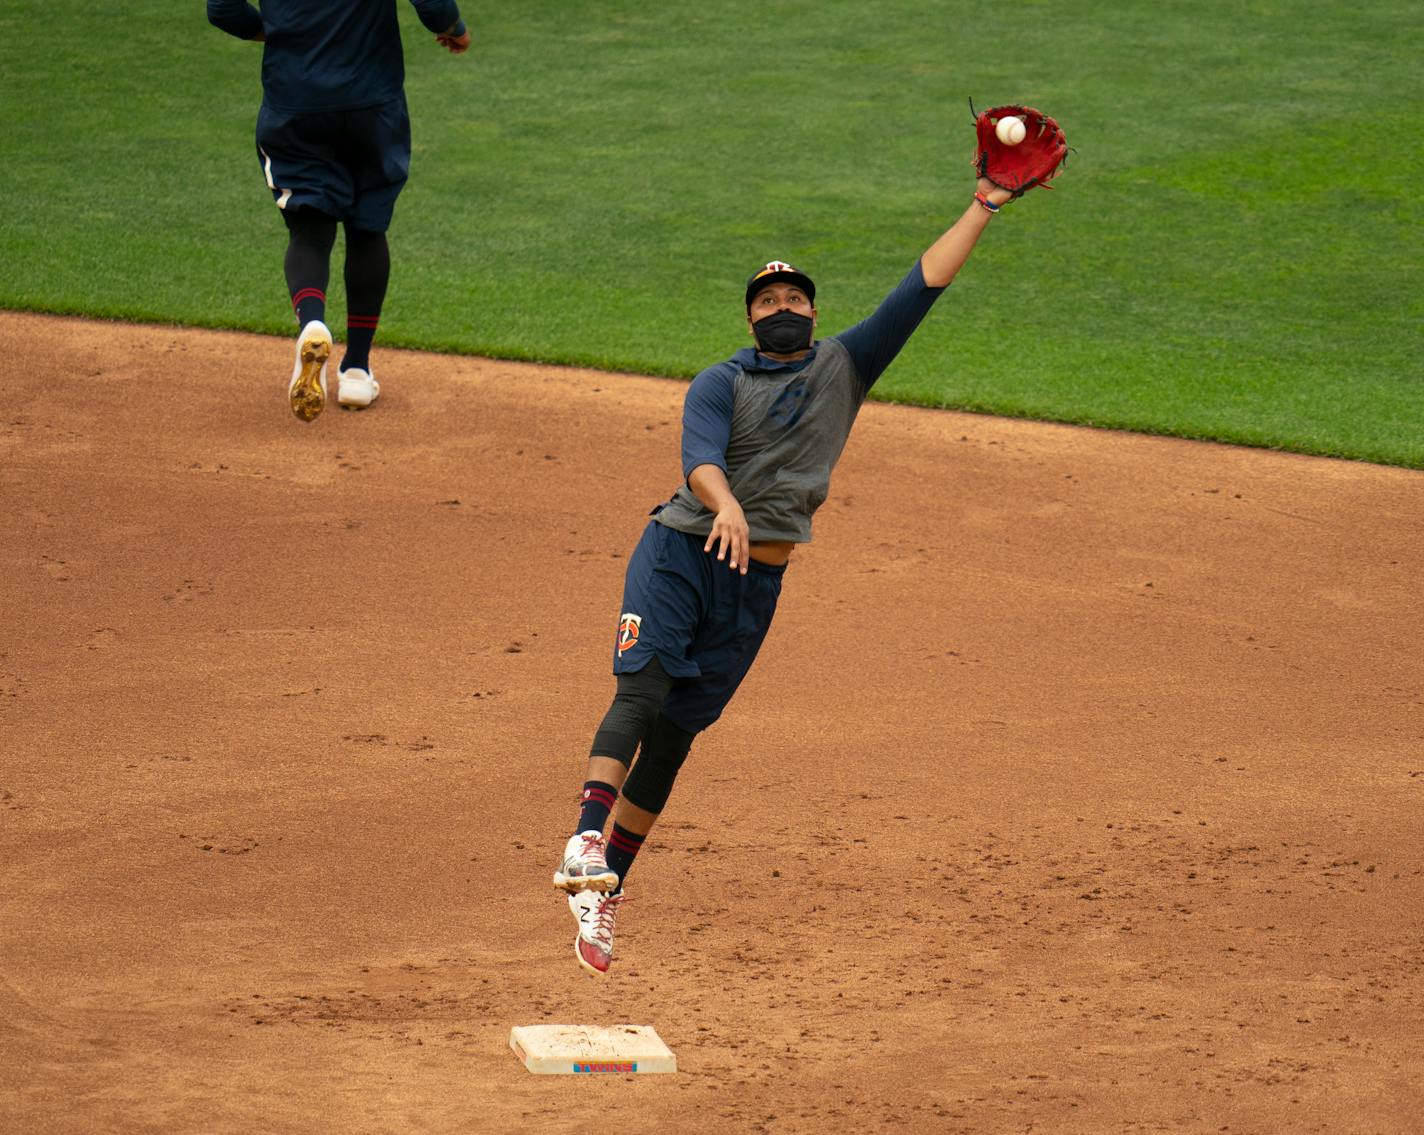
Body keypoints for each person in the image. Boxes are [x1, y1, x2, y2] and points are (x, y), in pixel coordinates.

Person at [552, 170, 1039, 977]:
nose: (783, 309)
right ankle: (585, 830)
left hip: (756, 583)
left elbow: (923, 285)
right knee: (641, 692)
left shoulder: (846, 366)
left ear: (814, 311)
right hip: (681, 551)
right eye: (768, 302)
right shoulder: (722, 380)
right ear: (750, 316)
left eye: (795, 300)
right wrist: (726, 504)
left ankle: (601, 894)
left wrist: (984, 201)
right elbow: (699, 459)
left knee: (674, 742)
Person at [206, 0, 471, 422]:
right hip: (372, 103)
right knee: (368, 228)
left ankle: (313, 324)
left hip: (296, 103)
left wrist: (269, 30)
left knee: (309, 231)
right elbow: (432, 4)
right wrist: (453, 27)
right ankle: (357, 372)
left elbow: (221, 8)